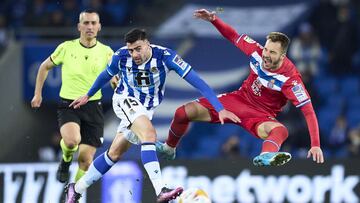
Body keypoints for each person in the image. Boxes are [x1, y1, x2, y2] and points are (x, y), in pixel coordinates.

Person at [64, 28, 240, 202]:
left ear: (148, 44)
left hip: (146, 109)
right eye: (131, 50)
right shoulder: (121, 56)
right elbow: (105, 75)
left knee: (115, 153)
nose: (134, 54)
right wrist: (88, 95)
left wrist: (219, 108)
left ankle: (76, 189)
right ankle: (160, 190)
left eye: (138, 48)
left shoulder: (165, 57)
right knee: (149, 133)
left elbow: (197, 81)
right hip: (125, 100)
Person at [156, 9, 325, 166]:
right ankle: (169, 148)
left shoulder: (290, 79)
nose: (266, 55)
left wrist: (315, 144)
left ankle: (266, 156)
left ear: (282, 56)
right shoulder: (256, 52)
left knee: (281, 131)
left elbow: (308, 112)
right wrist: (214, 20)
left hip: (260, 115)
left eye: (272, 53)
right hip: (237, 100)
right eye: (266, 49)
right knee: (182, 112)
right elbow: (233, 35)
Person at [31, 10, 116, 184]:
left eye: (93, 23)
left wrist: (116, 83)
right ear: (79, 27)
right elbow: (44, 67)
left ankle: (73, 195)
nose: (90, 27)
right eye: (86, 23)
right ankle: (65, 161)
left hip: (93, 107)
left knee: (85, 161)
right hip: (69, 105)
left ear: (99, 27)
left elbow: (115, 77)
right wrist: (37, 94)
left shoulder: (107, 52)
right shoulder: (66, 47)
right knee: (71, 142)